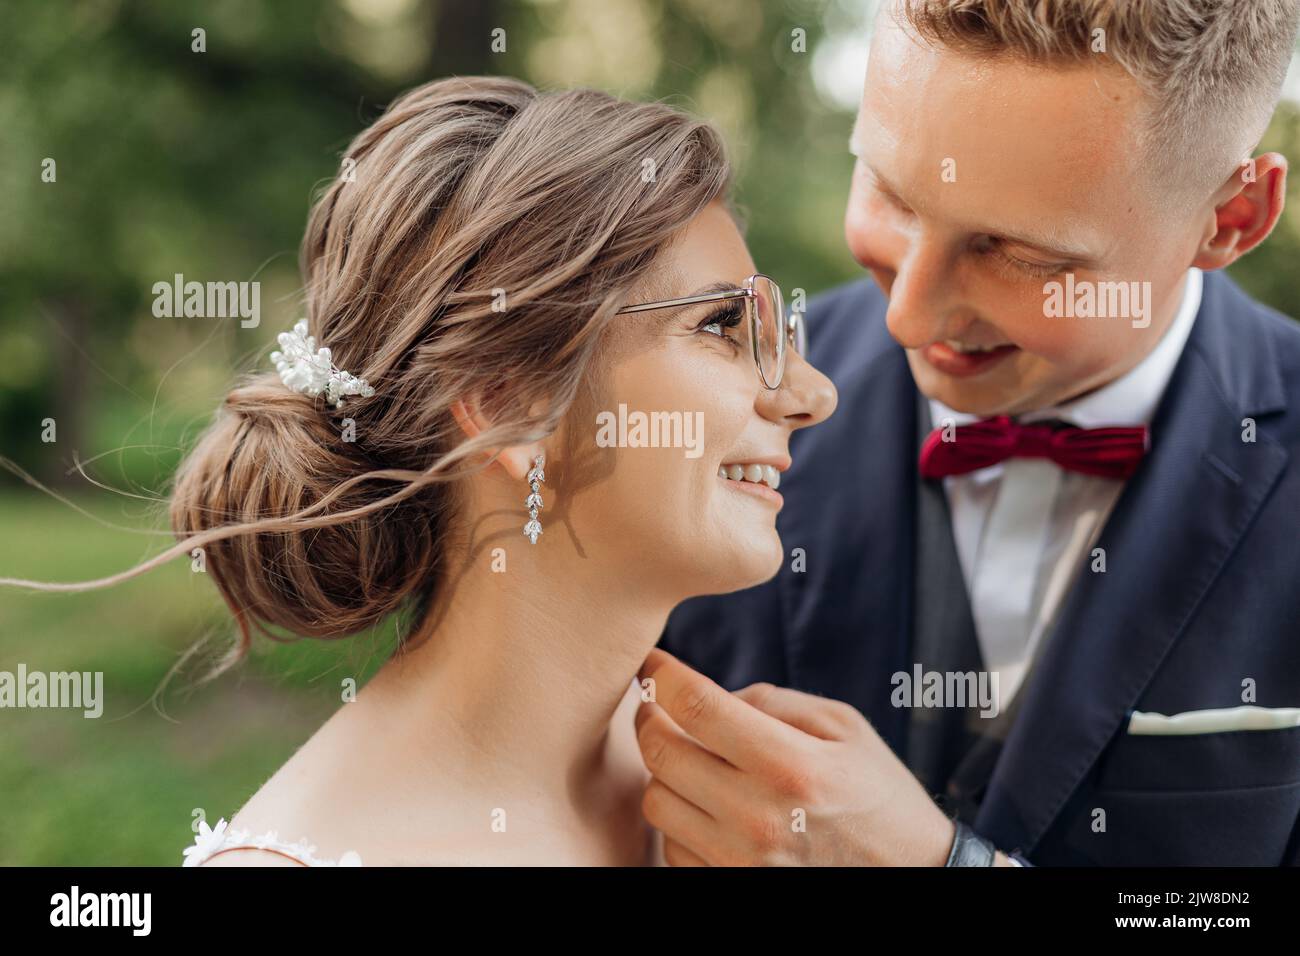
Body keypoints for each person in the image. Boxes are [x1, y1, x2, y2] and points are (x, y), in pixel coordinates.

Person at [3, 76, 837, 865]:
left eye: (777, 323)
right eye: (725, 324)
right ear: (510, 403)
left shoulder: (736, 807)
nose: (813, 393)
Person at [649, 0, 1300, 866]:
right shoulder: (701, 404)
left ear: (1232, 219)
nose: (910, 318)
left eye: (1022, 254)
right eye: (886, 189)